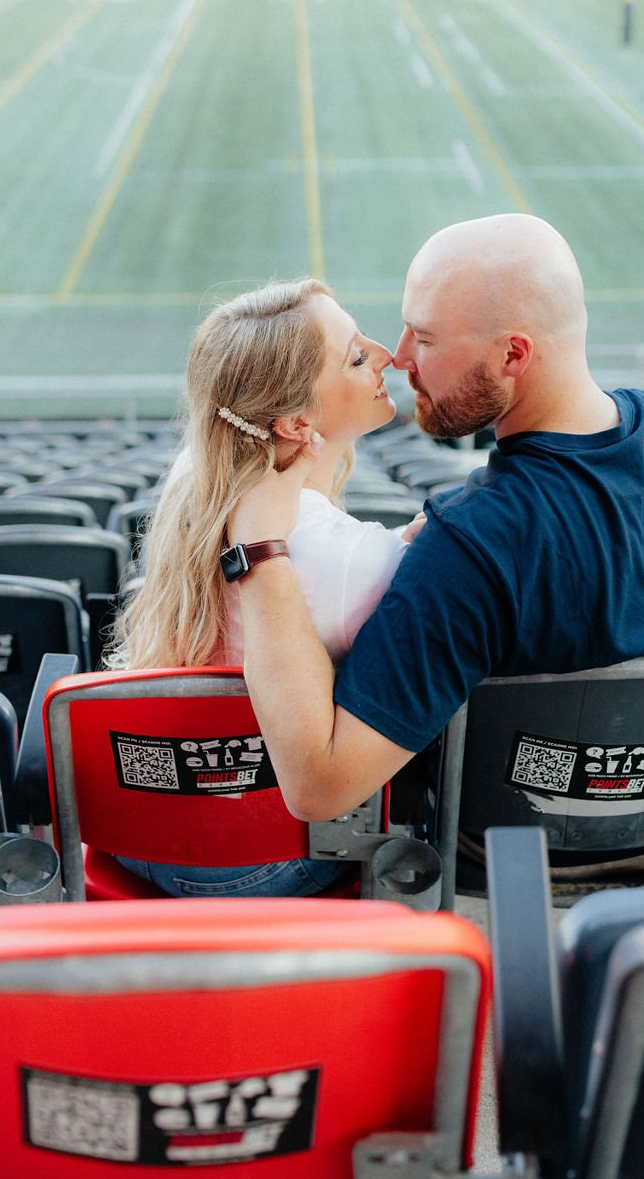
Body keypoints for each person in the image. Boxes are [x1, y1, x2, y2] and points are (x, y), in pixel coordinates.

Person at [228, 214, 644, 831]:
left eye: (424, 339)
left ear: (513, 354)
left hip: (510, 860)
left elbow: (320, 789)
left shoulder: (464, 550)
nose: (399, 357)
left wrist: (259, 550)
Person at [107, 277, 419, 896]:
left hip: (139, 835)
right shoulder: (361, 562)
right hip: (268, 857)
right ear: (296, 422)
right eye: (356, 356)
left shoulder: (197, 480)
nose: (385, 354)